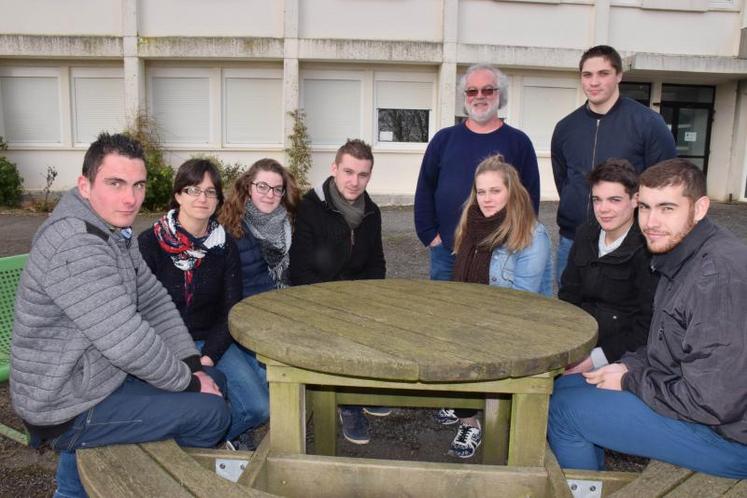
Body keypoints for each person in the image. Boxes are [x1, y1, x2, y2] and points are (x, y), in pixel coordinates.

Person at [10, 133, 230, 498]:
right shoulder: (76, 244)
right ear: (85, 185)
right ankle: (146, 481)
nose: (130, 198)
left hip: (98, 376)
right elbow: (127, 341)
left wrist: (191, 363)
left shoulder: (115, 232)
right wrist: (190, 383)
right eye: (115, 183)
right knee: (211, 412)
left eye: (138, 185)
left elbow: (155, 301)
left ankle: (75, 485)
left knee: (212, 375)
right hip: (65, 403)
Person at [548, 159, 747, 479]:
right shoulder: (681, 252)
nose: (651, 222)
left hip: (729, 438)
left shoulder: (716, 276)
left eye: (667, 208)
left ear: (700, 208)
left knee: (562, 412)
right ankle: (592, 477)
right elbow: (665, 340)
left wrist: (629, 380)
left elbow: (712, 402)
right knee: (562, 388)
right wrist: (629, 365)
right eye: (645, 207)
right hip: (700, 406)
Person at [138, 158, 268, 451]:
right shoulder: (149, 243)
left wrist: (208, 357)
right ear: (178, 195)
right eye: (193, 190)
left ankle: (200, 445)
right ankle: (196, 442)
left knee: (259, 407)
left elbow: (230, 308)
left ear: (219, 200)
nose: (202, 198)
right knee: (199, 404)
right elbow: (141, 311)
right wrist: (189, 362)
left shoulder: (224, 245)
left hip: (212, 341)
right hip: (165, 345)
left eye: (210, 192)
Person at [437, 154, 552, 459]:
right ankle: (463, 404)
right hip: (475, 318)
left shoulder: (531, 234)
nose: (487, 199)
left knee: (463, 343)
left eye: (495, 191)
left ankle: (471, 420)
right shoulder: (471, 224)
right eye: (481, 191)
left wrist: (470, 324)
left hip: (515, 326)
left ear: (512, 192)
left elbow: (521, 304)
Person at [289, 138, 387, 445]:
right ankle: (348, 404)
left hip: (358, 297)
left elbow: (377, 262)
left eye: (363, 174)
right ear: (334, 169)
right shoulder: (310, 207)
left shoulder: (372, 212)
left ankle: (364, 388)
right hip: (318, 297)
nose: (354, 181)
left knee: (378, 327)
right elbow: (300, 268)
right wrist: (330, 304)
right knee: (343, 334)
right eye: (348, 172)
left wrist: (370, 302)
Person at [551, 45, 676, 283]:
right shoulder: (566, 127)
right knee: (571, 311)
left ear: (619, 75)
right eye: (587, 75)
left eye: (603, 73)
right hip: (573, 239)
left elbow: (666, 184)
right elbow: (564, 179)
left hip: (630, 242)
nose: (594, 82)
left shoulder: (648, 123)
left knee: (623, 314)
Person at [415, 63, 540, 282]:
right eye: (472, 91)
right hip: (447, 250)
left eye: (488, 90)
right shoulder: (444, 140)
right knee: (444, 310)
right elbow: (425, 188)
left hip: (499, 253)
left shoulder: (519, 142)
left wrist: (516, 239)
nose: (479, 96)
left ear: (500, 95)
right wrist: (430, 236)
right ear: (465, 97)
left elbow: (529, 197)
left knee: (492, 313)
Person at [559, 159, 658, 374]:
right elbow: (568, 298)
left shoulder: (647, 248)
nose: (603, 209)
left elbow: (646, 324)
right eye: (597, 200)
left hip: (620, 358)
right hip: (577, 344)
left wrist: (592, 360)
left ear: (635, 200)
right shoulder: (585, 234)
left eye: (614, 200)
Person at [219, 158, 300, 297]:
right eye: (262, 186)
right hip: (248, 309)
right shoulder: (231, 227)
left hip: (287, 303)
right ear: (249, 187)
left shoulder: (291, 223)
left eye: (277, 189)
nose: (270, 195)